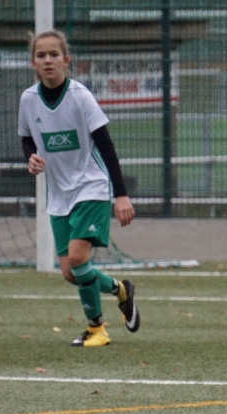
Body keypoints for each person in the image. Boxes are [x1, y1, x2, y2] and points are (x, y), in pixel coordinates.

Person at [18, 30, 139, 347]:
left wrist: (121, 194)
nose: (48, 61)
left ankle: (96, 330)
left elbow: (106, 145)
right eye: (41, 55)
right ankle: (120, 290)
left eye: (54, 55)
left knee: (77, 260)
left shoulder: (80, 96)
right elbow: (27, 138)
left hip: (91, 187)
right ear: (33, 62)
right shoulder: (28, 100)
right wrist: (29, 157)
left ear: (66, 60)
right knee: (71, 273)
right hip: (59, 195)